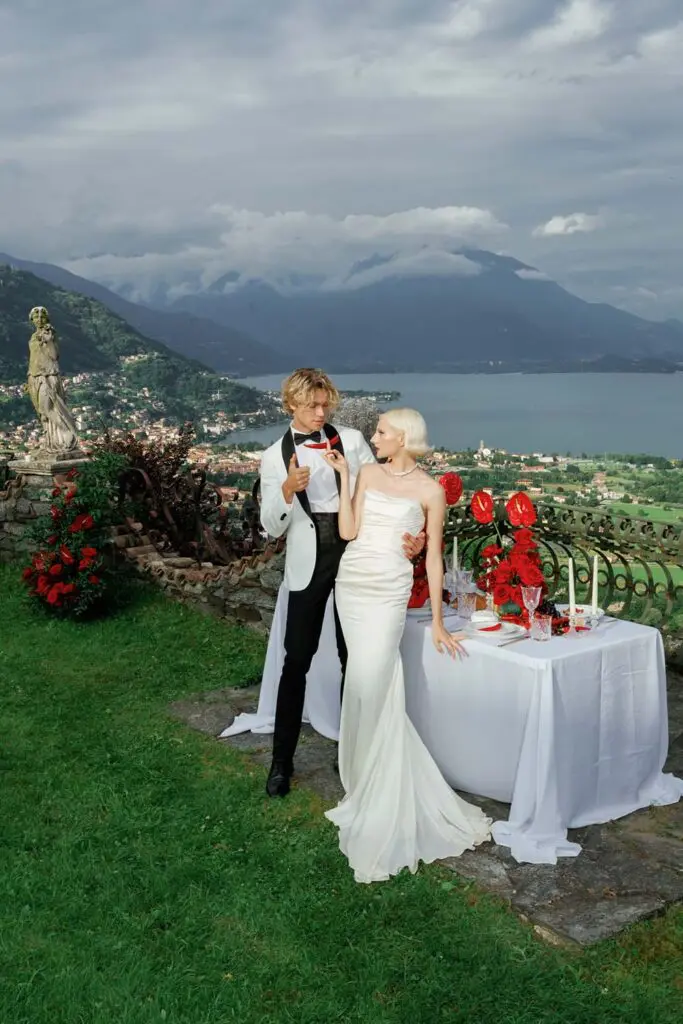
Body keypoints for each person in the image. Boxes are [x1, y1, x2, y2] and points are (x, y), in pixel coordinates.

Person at [322, 408, 492, 883]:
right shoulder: (367, 473)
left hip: (390, 587)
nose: (373, 438)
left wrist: (438, 620)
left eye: (380, 432)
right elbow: (348, 532)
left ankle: (380, 784)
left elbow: (434, 558)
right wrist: (343, 479)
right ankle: (359, 780)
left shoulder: (430, 491)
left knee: (372, 676)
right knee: (359, 680)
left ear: (403, 438)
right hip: (353, 581)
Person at [258, 369, 425, 798]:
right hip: (306, 566)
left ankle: (355, 752)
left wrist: (415, 534)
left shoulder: (351, 440)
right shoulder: (273, 455)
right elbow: (270, 526)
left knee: (358, 658)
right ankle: (281, 763)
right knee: (296, 662)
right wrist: (287, 490)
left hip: (355, 558)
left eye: (324, 404)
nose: (320, 412)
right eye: (312, 405)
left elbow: (385, 494)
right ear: (290, 404)